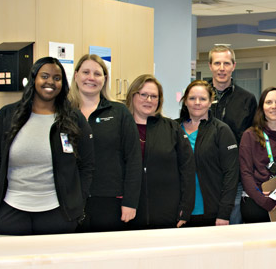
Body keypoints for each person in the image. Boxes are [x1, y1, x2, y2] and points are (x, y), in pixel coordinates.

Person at [0, 57, 94, 235]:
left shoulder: (74, 119)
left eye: (57, 78)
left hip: (59, 215)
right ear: (33, 79)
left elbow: (86, 166)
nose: (50, 82)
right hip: (10, 212)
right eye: (45, 76)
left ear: (62, 84)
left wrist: (76, 205)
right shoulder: (7, 116)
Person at [68, 54, 141, 232]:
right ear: (76, 75)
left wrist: (130, 202)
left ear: (105, 79)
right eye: (86, 72)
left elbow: (133, 159)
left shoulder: (119, 112)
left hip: (110, 200)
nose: (91, 78)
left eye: (97, 74)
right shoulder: (64, 113)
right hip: (70, 199)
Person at [125, 75, 195, 229]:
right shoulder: (122, 127)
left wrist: (185, 208)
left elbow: (188, 169)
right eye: (143, 94)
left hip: (166, 213)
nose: (148, 100)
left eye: (154, 96)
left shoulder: (172, 128)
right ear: (133, 95)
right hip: (128, 213)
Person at [175, 80, 240, 226]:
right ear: (185, 101)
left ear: (211, 102)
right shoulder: (173, 128)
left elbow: (231, 174)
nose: (197, 102)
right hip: (177, 212)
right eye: (192, 98)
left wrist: (224, 214)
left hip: (210, 213)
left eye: (203, 99)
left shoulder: (221, 131)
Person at [208, 45, 257, 225]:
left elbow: (254, 139)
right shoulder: (198, 96)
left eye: (226, 63)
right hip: (205, 173)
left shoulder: (247, 99)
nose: (222, 68)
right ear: (210, 66)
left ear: (233, 66)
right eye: (218, 63)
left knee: (232, 226)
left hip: (234, 176)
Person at [239, 87, 276, 223]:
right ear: (262, 107)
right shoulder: (249, 135)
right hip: (256, 199)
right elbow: (245, 173)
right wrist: (263, 200)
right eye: (269, 102)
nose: (274, 106)